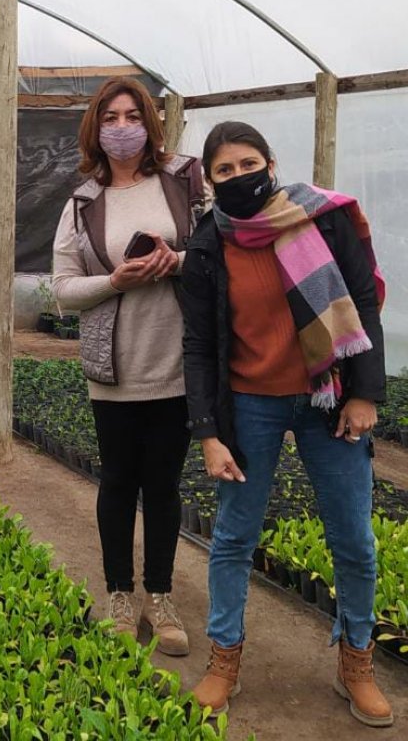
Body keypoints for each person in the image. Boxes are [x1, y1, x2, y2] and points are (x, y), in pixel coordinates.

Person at [182, 121, 392, 726]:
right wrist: (209, 433)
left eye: (248, 164)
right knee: (233, 537)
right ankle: (224, 659)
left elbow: (363, 303)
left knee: (353, 539)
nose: (239, 176)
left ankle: (356, 661)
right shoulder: (207, 245)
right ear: (210, 180)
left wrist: (365, 394)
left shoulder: (321, 219)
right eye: (224, 170)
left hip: (330, 400)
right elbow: (199, 345)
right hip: (251, 404)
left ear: (270, 164)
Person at [51, 76, 205, 657]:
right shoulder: (83, 203)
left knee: (163, 485)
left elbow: (220, 255)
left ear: (151, 122)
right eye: (111, 118)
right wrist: (115, 280)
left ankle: (159, 597)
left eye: (133, 116)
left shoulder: (184, 181)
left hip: (178, 361)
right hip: (115, 367)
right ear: (96, 129)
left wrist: (177, 261)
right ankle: (119, 594)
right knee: (117, 481)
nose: (122, 128)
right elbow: (63, 289)